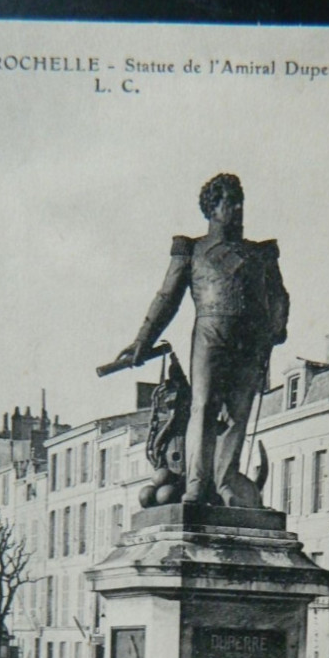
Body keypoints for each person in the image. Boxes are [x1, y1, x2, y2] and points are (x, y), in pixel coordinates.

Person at [128, 174, 289, 507]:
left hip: (250, 340)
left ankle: (226, 480)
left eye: (240, 200)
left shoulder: (260, 253)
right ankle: (198, 484)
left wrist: (276, 327)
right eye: (229, 201)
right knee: (203, 407)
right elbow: (166, 298)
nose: (238, 208)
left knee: (238, 414)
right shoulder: (192, 250)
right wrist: (143, 339)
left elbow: (279, 295)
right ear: (211, 207)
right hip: (210, 334)